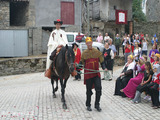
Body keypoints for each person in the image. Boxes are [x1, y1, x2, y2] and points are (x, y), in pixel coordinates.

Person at [80, 37, 107, 112]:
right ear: (86, 44)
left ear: (92, 43)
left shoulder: (97, 52)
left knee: (98, 89)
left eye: (90, 43)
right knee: (88, 91)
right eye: (87, 43)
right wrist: (77, 67)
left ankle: (97, 104)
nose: (89, 44)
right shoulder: (84, 53)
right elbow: (81, 63)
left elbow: (102, 62)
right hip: (88, 74)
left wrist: (104, 68)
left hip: (96, 74)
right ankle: (88, 104)